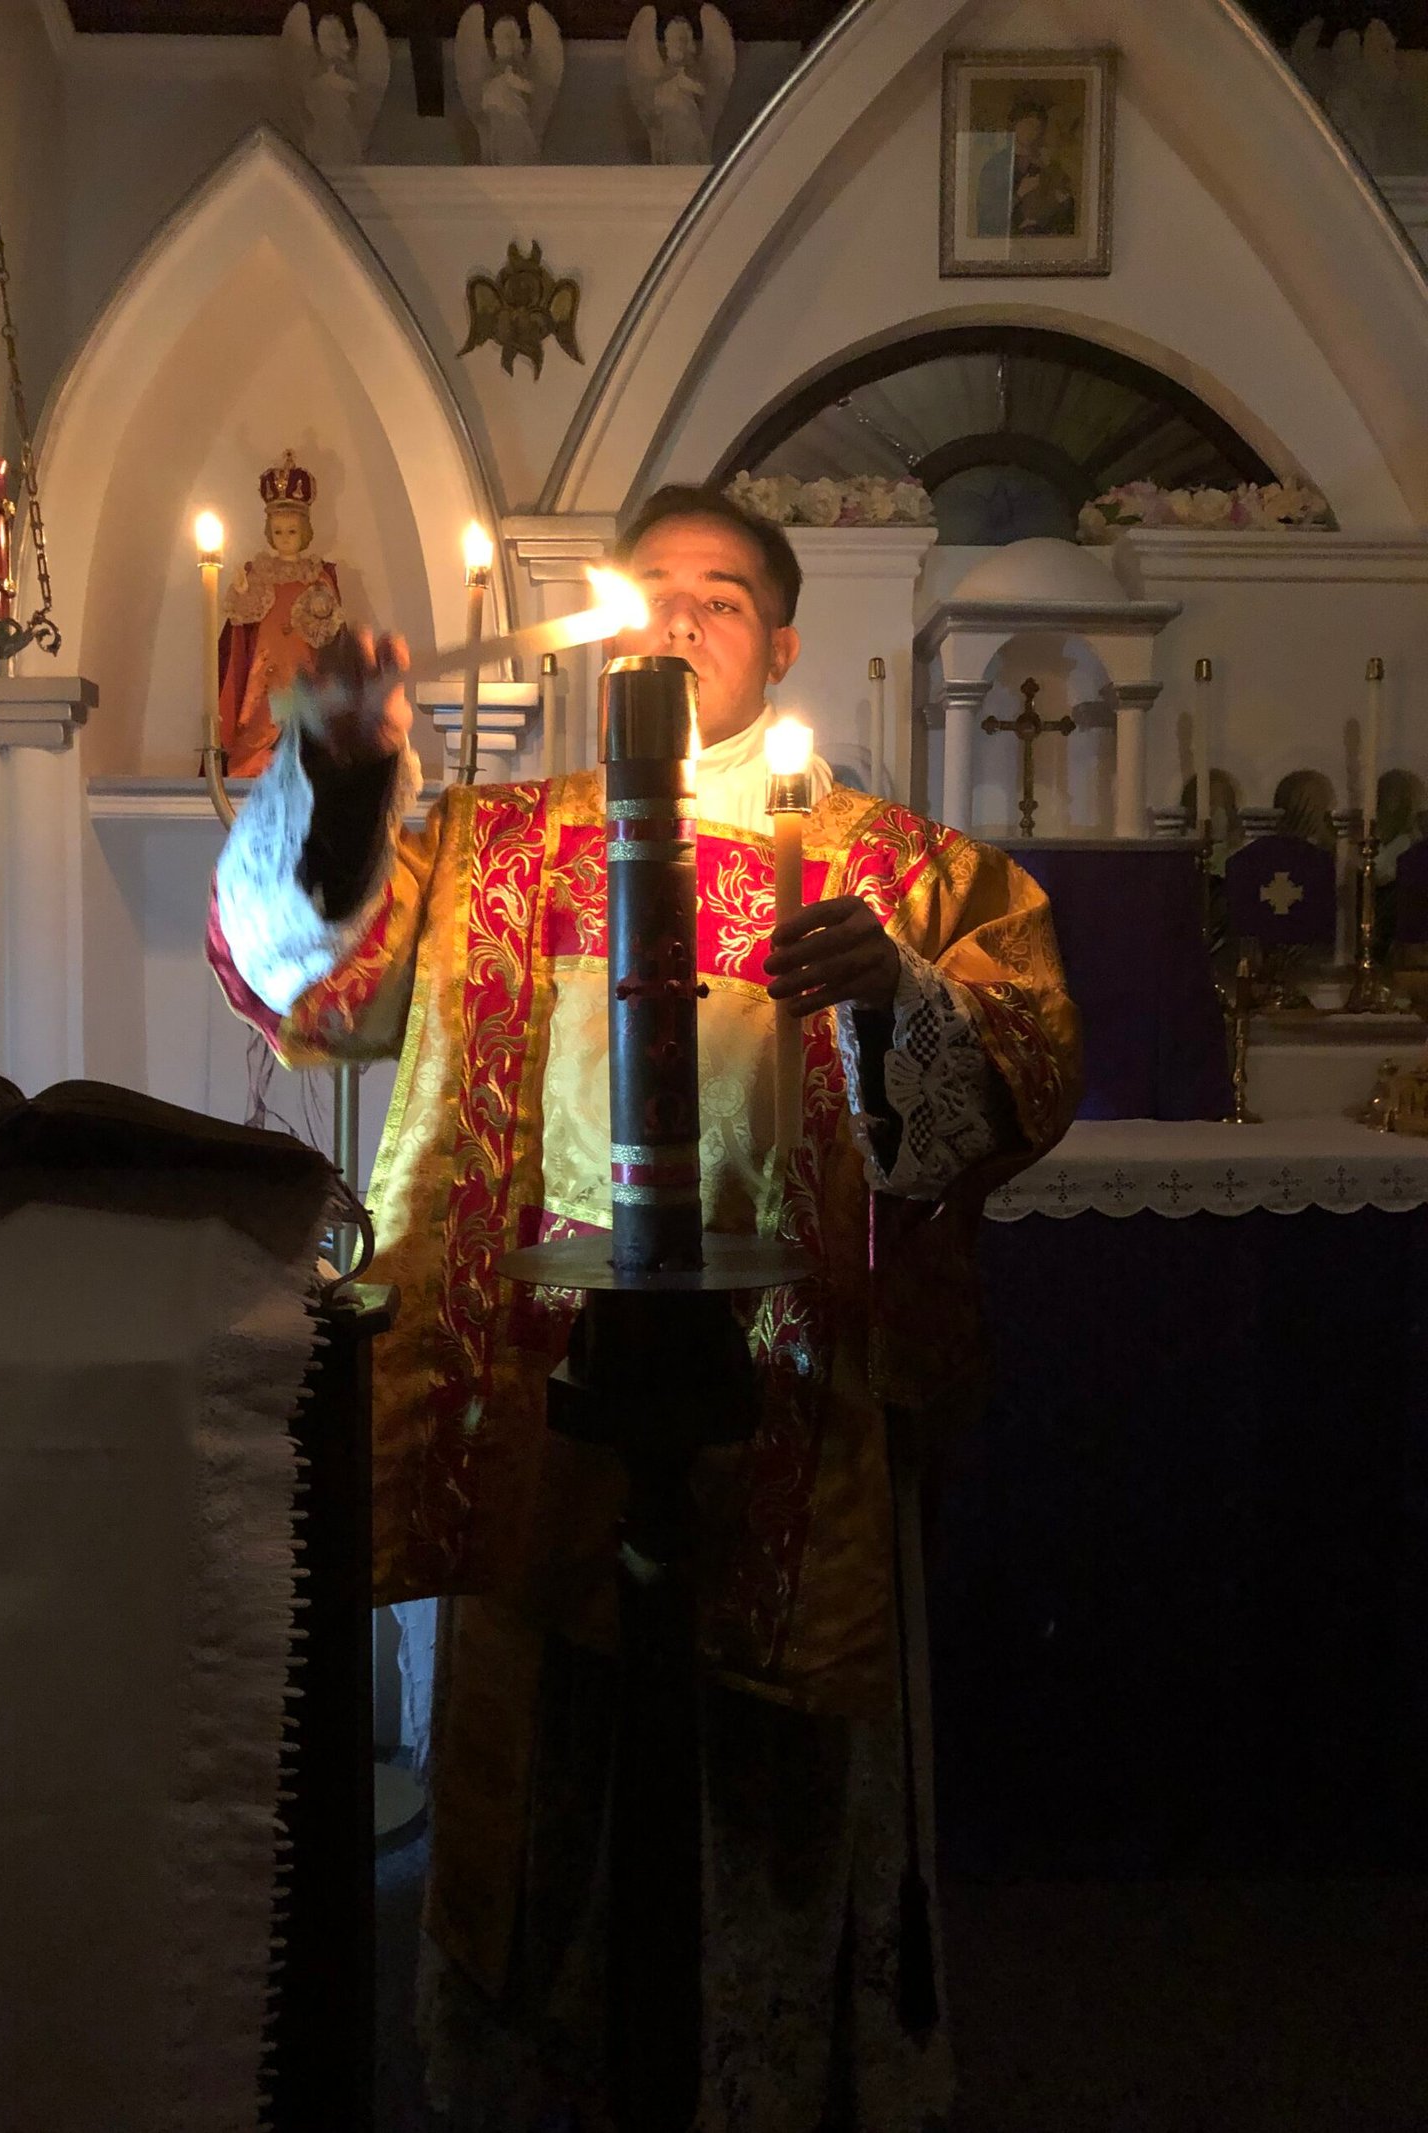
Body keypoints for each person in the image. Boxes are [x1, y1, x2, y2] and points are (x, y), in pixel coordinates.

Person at [208, 486, 1080, 2130]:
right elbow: (303, 976)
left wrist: (894, 995)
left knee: (767, 1799)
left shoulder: (897, 869)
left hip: (791, 1402)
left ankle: (767, 2078)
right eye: (654, 587)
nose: (679, 616)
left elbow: (1020, 1067)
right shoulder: (490, 848)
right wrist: (333, 774)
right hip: (546, 1382)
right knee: (546, 1770)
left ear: (786, 644)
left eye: (723, 596)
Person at [215, 450, 345, 780]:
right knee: (263, 714)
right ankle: (257, 759)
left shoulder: (316, 574)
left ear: (304, 532)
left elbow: (329, 630)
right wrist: (242, 590)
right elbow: (243, 623)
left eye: (291, 532)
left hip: (302, 664)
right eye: (278, 532)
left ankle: (302, 759)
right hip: (265, 666)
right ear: (269, 533)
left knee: (302, 712)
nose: (285, 538)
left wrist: (321, 606)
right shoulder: (260, 572)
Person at [974, 96, 1076, 240]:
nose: (1032, 131)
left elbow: (1067, 213)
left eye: (1037, 127)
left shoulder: (1048, 165)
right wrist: (1019, 193)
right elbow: (987, 219)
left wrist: (1063, 201)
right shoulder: (996, 166)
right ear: (1015, 125)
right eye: (1027, 124)